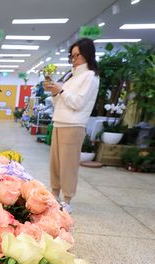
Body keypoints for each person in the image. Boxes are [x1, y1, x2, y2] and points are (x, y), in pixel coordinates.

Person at [45, 38, 100, 208]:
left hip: (74, 125)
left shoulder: (90, 77)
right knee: (55, 163)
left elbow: (78, 103)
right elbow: (59, 103)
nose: (74, 59)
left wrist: (60, 90)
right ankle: (54, 193)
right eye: (72, 55)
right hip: (59, 122)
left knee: (68, 165)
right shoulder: (70, 77)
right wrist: (55, 92)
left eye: (77, 55)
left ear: (87, 55)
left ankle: (67, 199)